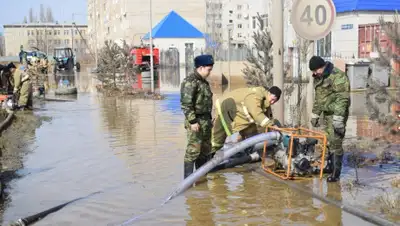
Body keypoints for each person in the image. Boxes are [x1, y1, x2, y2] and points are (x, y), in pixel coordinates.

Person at [309, 56, 350, 182]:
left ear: (322, 66)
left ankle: (336, 173)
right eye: (313, 72)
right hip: (326, 114)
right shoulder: (318, 77)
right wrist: (315, 114)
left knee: (336, 142)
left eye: (316, 70)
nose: (315, 73)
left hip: (337, 113)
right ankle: (330, 166)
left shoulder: (337, 76)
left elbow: (342, 98)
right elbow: (319, 98)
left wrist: (338, 118)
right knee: (327, 140)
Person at [211, 86, 282, 154]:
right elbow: (256, 113)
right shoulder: (255, 95)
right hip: (225, 108)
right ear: (268, 93)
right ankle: (210, 156)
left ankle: (245, 152)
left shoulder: (266, 101)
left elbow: (268, 118)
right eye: (272, 99)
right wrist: (272, 125)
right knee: (220, 137)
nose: (272, 102)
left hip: (239, 115)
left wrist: (273, 127)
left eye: (274, 101)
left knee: (252, 134)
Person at [180, 54, 214, 179]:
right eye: (208, 70)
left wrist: (210, 119)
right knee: (193, 151)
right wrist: (193, 121)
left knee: (204, 152)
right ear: (200, 68)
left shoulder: (203, 82)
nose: (210, 72)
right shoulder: (190, 82)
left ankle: (201, 180)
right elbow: (186, 104)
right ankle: (187, 182)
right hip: (196, 121)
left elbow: (205, 103)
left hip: (205, 121)